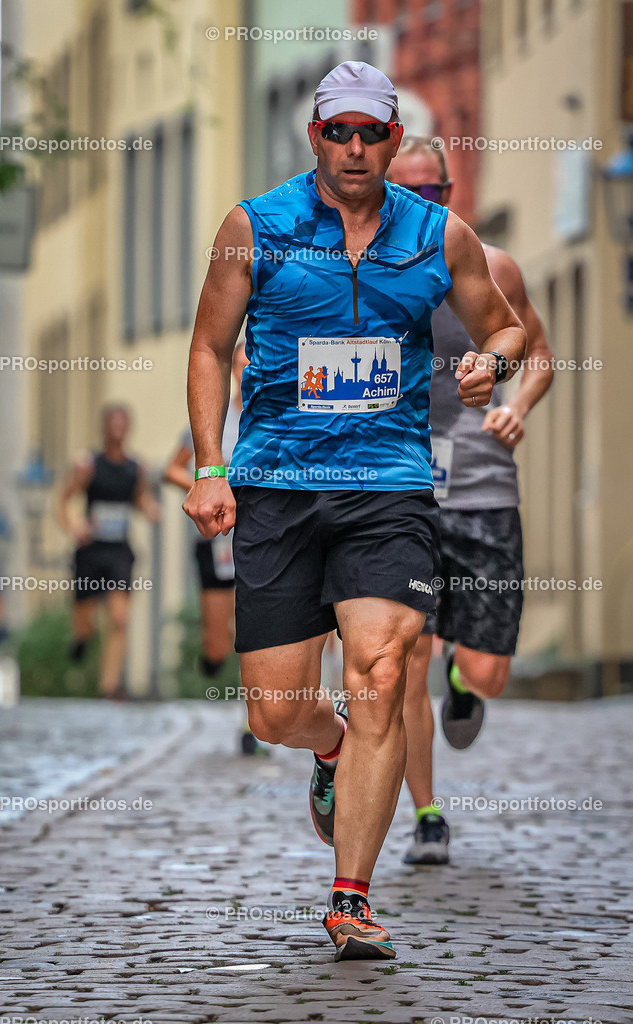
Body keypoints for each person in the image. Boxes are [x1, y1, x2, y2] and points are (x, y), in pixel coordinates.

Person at [182, 61, 526, 960]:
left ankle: (350, 898)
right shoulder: (253, 227)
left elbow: (507, 324)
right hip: (277, 488)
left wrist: (498, 360)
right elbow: (211, 348)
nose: (355, 147)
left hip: (390, 487)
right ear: (315, 136)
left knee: (381, 668)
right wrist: (210, 465)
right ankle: (326, 750)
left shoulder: (437, 235)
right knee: (275, 711)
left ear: (393, 138)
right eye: (339, 130)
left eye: (371, 131)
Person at [387, 138, 554, 865]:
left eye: (437, 194)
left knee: (486, 669)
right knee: (405, 657)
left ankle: (465, 681)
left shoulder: (493, 266)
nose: (425, 208)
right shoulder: (365, 273)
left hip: (483, 485)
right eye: (410, 195)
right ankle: (427, 814)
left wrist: (519, 403)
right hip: (401, 487)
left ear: (452, 193)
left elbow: (539, 352)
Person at [164, 343, 261, 754]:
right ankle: (210, 655)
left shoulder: (271, 412)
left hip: (258, 533)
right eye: (239, 363)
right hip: (217, 540)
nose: (246, 369)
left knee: (252, 630)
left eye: (251, 362)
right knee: (218, 643)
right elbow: (171, 467)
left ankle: (250, 723)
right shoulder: (214, 416)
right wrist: (208, 488)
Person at [58, 404, 161, 699]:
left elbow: (139, 499)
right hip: (91, 549)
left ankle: (109, 685)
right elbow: (62, 501)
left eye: (123, 423)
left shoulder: (135, 468)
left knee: (118, 619)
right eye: (112, 422)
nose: (118, 428)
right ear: (104, 427)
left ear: (129, 428)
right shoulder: (87, 464)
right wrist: (74, 525)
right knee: (86, 622)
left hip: (119, 550)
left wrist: (151, 510)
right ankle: (81, 638)